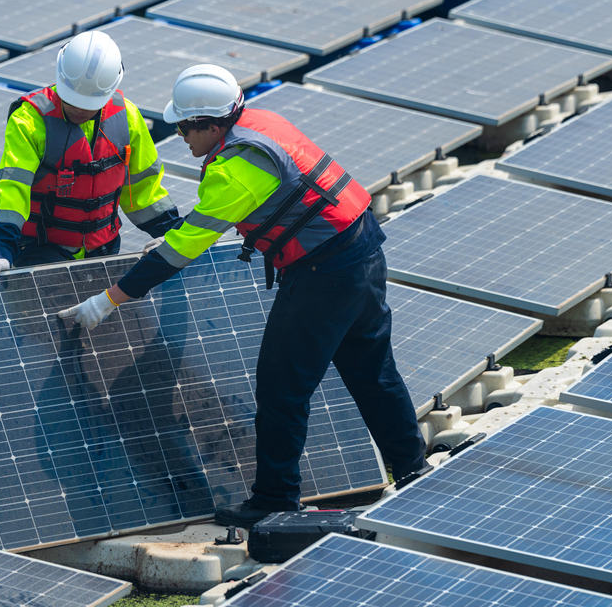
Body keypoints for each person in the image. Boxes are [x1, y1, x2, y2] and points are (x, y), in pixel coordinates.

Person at [58, 64, 426, 528]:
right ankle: (413, 467)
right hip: (362, 248)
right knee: (371, 368)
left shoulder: (236, 168)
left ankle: (274, 499)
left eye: (185, 129)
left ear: (211, 126)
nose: (182, 140)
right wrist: (182, 234)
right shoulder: (263, 123)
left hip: (322, 271)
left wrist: (107, 300)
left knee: (281, 388)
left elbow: (181, 253)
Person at [0, 30, 179, 279]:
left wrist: (174, 233)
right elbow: (14, 191)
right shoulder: (29, 121)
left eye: (88, 105)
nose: (78, 109)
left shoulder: (127, 117)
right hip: (40, 253)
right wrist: (3, 251)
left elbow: (144, 189)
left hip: (103, 251)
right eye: (72, 100)